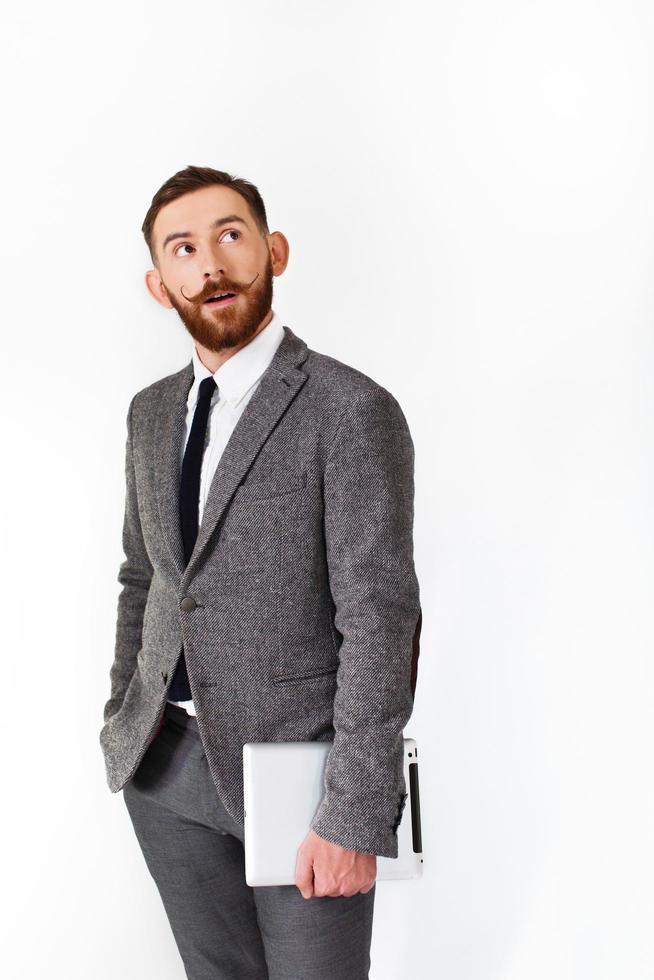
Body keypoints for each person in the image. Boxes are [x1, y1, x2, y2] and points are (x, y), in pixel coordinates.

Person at [99, 164, 422, 980]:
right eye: (184, 248)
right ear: (157, 281)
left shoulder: (349, 409)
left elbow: (380, 618)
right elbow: (146, 577)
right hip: (165, 768)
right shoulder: (148, 413)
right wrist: (123, 720)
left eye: (230, 235)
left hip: (303, 782)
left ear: (273, 250)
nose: (209, 264)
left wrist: (355, 813)